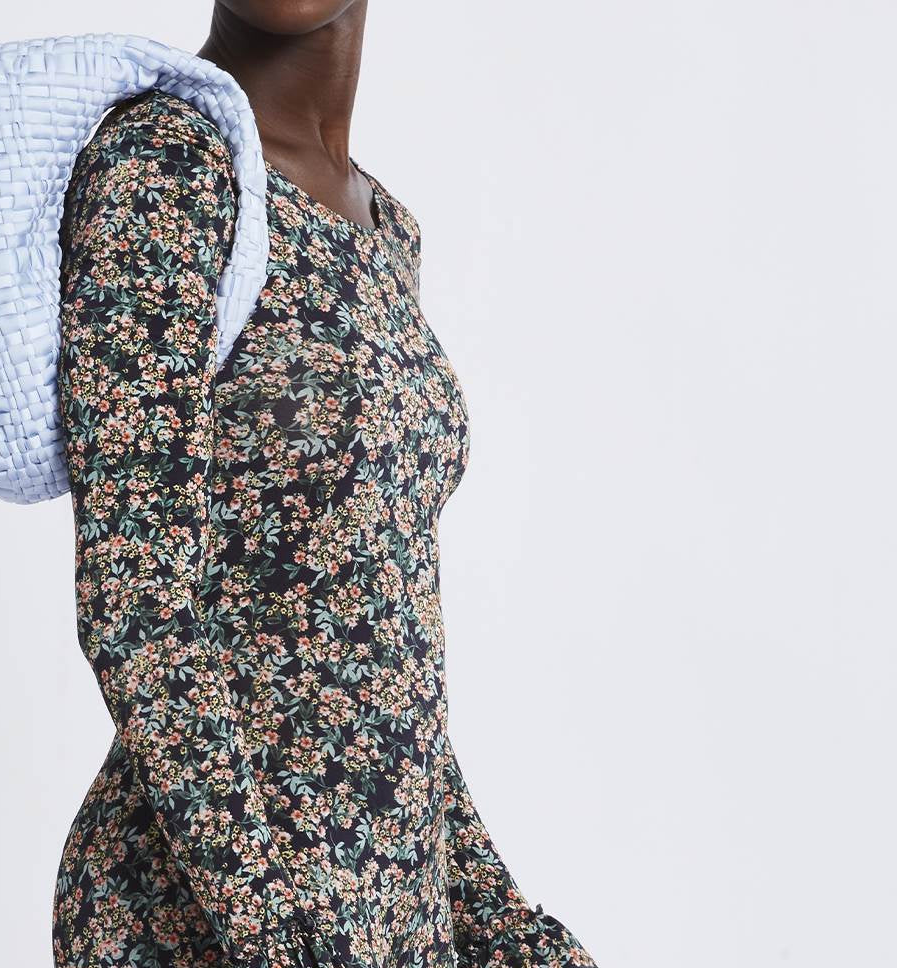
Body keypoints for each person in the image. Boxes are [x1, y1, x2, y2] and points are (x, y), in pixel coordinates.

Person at [51, 3, 597, 966]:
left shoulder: (387, 227)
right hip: (208, 918)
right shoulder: (167, 164)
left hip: (391, 912)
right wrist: (283, 936)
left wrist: (500, 919)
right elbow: (135, 604)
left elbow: (376, 659)